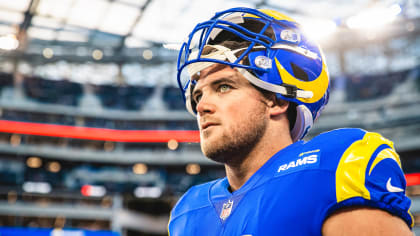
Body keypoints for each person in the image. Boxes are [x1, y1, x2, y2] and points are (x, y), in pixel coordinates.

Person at [168, 7, 413, 235]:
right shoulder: (188, 210)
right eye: (198, 94)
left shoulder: (335, 168)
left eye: (223, 87)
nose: (201, 106)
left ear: (277, 100)